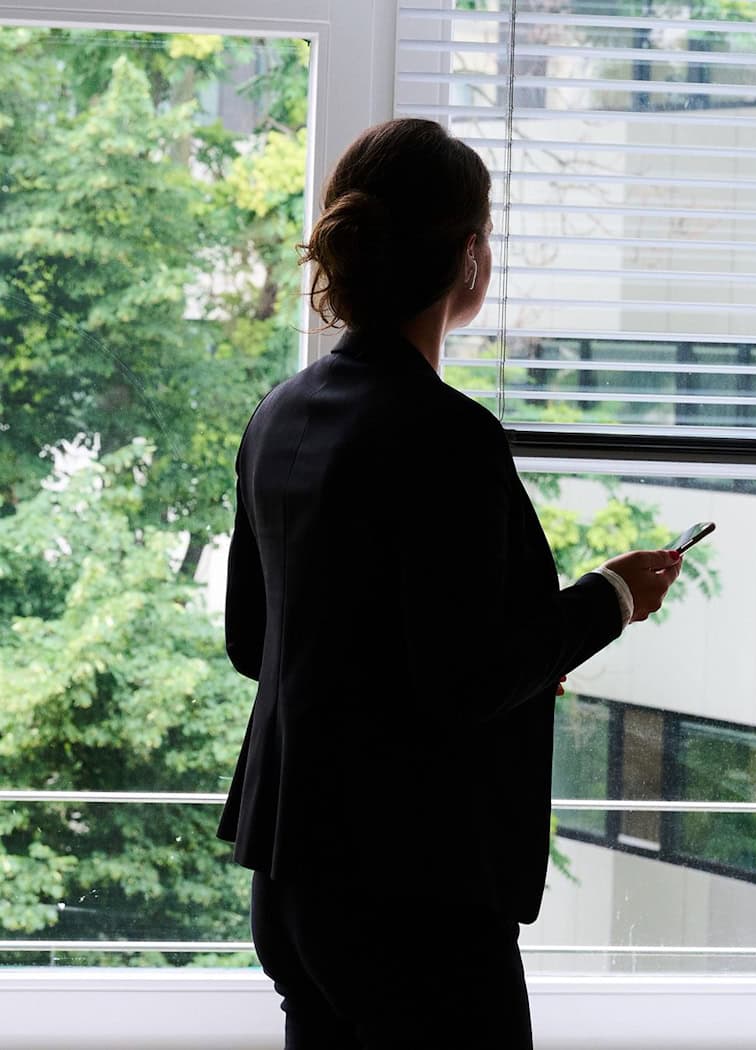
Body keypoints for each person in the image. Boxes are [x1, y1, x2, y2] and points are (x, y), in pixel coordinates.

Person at [216, 117, 682, 1049]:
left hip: (291, 882)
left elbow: (252, 640)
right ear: (470, 256)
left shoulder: (280, 413)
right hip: (413, 894)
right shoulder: (448, 436)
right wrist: (613, 597)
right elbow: (465, 675)